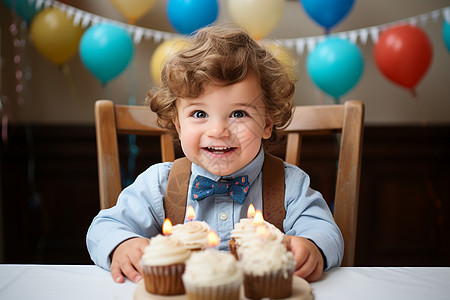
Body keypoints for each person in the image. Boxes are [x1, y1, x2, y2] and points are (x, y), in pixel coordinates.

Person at [86, 24, 344, 285]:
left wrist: (311, 247)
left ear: (267, 123)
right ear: (178, 123)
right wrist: (123, 244)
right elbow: (104, 227)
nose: (218, 130)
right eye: (199, 114)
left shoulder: (291, 184)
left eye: (239, 113)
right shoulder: (159, 184)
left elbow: (326, 232)